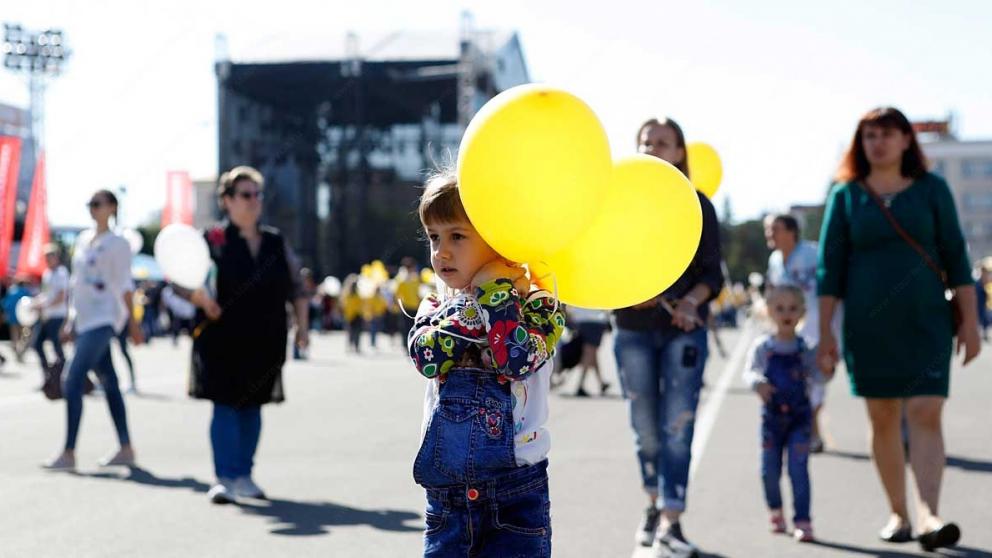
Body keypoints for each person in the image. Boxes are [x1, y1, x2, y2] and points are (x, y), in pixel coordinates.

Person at [817, 107, 981, 552]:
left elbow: (956, 256)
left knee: (926, 411)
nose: (878, 143)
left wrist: (970, 322)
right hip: (868, 326)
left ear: (907, 140)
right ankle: (898, 512)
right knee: (883, 415)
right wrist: (825, 333)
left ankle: (929, 514)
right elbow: (829, 270)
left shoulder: (932, 189)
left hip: (926, 321)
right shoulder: (846, 196)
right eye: (869, 135)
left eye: (887, 134)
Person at [408, 171, 564, 557]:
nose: (442, 252)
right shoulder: (435, 306)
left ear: (497, 238)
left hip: (516, 494)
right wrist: (474, 299)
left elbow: (515, 360)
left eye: (457, 237)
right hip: (447, 499)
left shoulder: (541, 307)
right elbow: (427, 357)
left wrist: (496, 292)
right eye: (434, 237)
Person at [615, 117, 723, 557]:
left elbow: (713, 274)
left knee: (678, 425)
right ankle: (653, 505)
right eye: (647, 142)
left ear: (680, 152)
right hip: (632, 331)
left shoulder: (699, 205)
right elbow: (605, 264)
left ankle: (672, 519)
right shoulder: (619, 203)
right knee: (645, 428)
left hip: (684, 332)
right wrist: (629, 291)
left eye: (663, 142)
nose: (654, 148)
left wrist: (691, 302)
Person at [186, 166, 309, 504]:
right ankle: (224, 478)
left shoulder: (275, 241)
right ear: (226, 200)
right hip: (221, 338)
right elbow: (184, 283)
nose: (254, 201)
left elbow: (297, 286)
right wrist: (201, 299)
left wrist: (302, 327)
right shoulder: (211, 239)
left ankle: (244, 475)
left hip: (265, 337)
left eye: (257, 194)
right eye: (245, 194)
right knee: (225, 405)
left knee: (253, 406)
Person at [43, 190, 143, 471]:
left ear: (112, 208)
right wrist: (70, 320)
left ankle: (69, 452)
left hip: (105, 319)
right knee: (109, 382)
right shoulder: (84, 240)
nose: (93, 208)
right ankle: (126, 448)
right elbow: (76, 285)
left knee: (72, 379)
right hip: (84, 320)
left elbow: (125, 284)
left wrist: (133, 323)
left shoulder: (118, 243)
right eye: (90, 204)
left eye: (98, 204)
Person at [743, 285, 818, 543]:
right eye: (780, 308)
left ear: (802, 313)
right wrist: (758, 383)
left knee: (798, 469)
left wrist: (828, 366)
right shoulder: (763, 347)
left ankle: (803, 519)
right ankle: (775, 510)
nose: (787, 314)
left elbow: (819, 377)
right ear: (768, 311)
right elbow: (750, 372)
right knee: (769, 470)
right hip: (772, 420)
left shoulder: (806, 348)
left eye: (793, 308)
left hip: (799, 419)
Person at [763, 214, 836, 453]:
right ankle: (806, 431)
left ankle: (812, 430)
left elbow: (834, 281)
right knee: (799, 380)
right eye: (768, 229)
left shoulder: (813, 253)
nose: (770, 234)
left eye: (775, 229)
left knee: (816, 376)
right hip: (792, 329)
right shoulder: (775, 260)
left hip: (820, 324)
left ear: (791, 231)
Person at [31, 244, 69, 383]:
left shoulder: (61, 273)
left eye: (49, 256)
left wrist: (45, 305)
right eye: (45, 256)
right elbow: (46, 294)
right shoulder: (47, 273)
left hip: (57, 316)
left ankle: (63, 376)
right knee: (36, 344)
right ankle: (48, 374)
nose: (47, 259)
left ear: (56, 257)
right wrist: (35, 302)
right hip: (46, 316)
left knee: (57, 347)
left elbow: (61, 296)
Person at [567, 305, 610, 397]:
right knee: (589, 353)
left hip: (580, 319)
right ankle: (580, 385)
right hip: (595, 320)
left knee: (591, 352)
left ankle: (601, 382)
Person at [340, 275, 364, 353]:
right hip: (350, 316)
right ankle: (351, 346)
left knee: (356, 332)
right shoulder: (347, 295)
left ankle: (356, 346)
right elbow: (344, 305)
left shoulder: (357, 295)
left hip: (356, 315)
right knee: (351, 332)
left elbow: (360, 305)